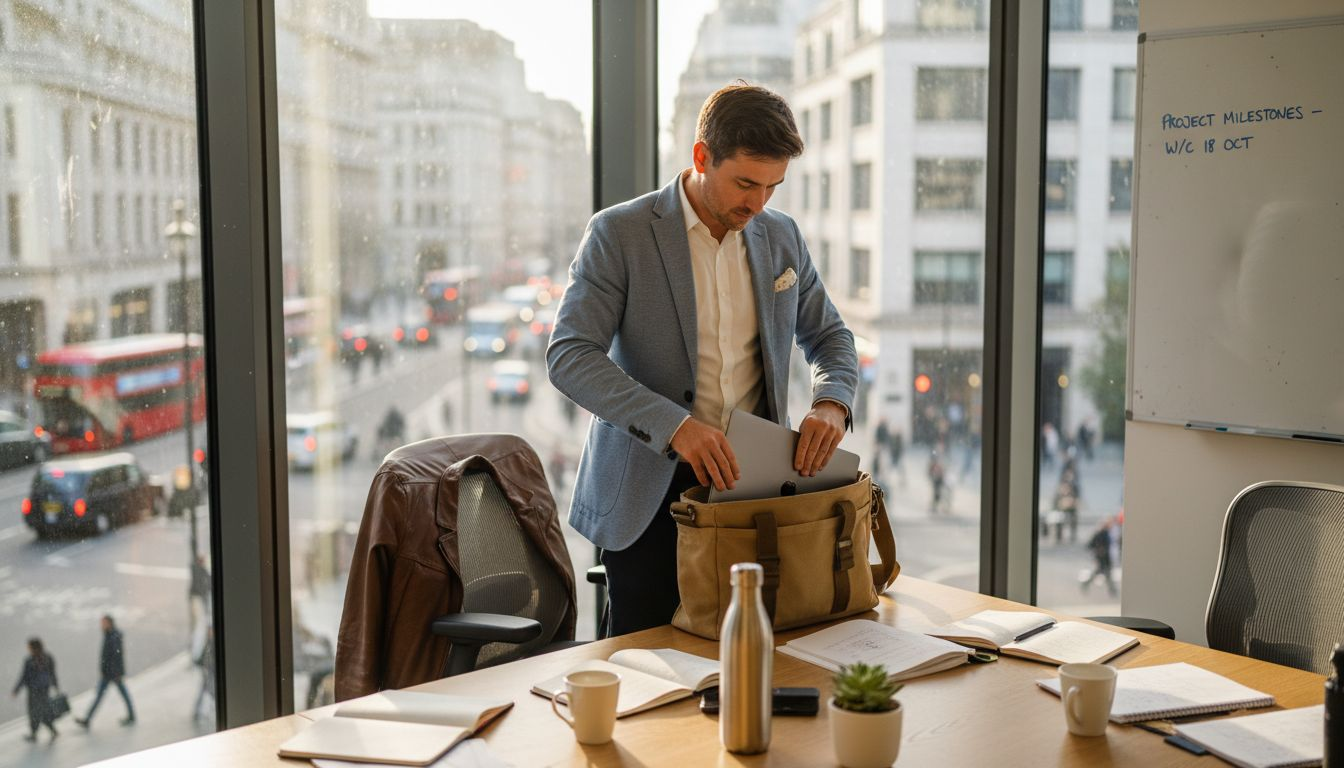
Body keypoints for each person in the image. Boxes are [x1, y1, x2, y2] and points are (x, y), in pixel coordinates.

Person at [547, 82, 858, 636]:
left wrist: (832, 401)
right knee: (646, 666)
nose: (758, 204)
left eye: (772, 186)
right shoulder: (619, 233)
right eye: (745, 183)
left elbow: (830, 336)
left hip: (753, 490)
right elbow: (570, 355)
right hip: (648, 494)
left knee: (757, 648)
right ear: (700, 156)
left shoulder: (782, 236)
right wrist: (676, 426)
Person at [76, 615, 135, 728]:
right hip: (109, 672)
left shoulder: (113, 636)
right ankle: (87, 719)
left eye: (103, 623)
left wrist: (116, 672)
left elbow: (117, 656)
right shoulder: (109, 635)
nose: (101, 625)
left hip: (112, 673)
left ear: (109, 623)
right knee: (106, 695)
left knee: (104, 695)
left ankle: (87, 719)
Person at [12, 638, 59, 742]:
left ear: (33, 647)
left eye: (29, 647)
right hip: (43, 689)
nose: (28, 649)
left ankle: (35, 733)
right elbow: (52, 673)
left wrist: (16, 689)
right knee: (42, 710)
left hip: (35, 690)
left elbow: (24, 677)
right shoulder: (47, 657)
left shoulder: (30, 660)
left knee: (34, 712)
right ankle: (50, 730)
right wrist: (56, 686)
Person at [1081, 517, 1118, 597]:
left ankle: (1112, 590)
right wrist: (1099, 551)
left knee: (1104, 573)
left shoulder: (1107, 533)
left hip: (1105, 557)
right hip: (1102, 558)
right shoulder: (1100, 534)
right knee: (1106, 574)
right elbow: (1090, 545)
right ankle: (1113, 590)